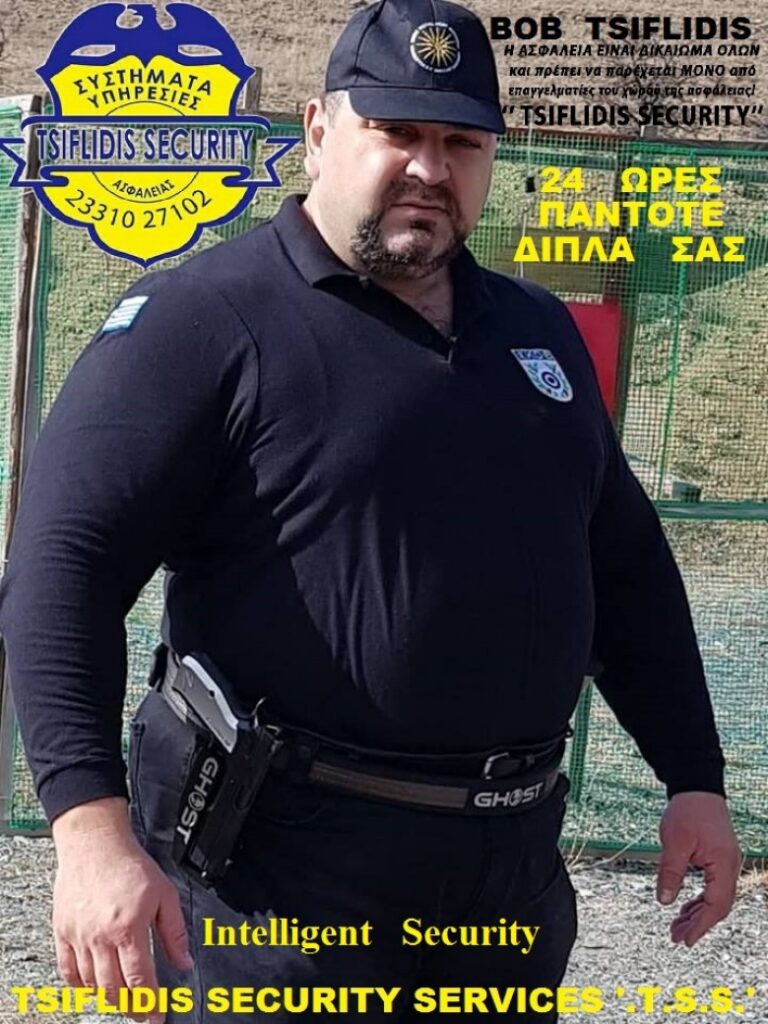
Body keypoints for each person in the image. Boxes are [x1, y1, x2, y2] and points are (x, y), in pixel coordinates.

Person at [0, 0, 740, 1021]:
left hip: (506, 875)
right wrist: (89, 831)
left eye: (461, 142)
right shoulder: (204, 322)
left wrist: (693, 775)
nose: (429, 168)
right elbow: (61, 568)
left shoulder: (536, 331)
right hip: (280, 886)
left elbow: (624, 568)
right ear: (319, 130)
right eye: (398, 131)